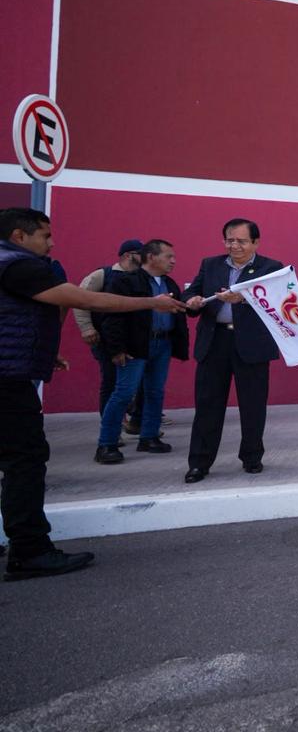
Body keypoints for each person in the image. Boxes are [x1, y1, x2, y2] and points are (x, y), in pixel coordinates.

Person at [1, 207, 186, 580]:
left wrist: (43, 349)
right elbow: (85, 300)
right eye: (45, 236)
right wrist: (152, 303)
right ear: (20, 237)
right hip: (8, 381)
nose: (52, 243)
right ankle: (30, 551)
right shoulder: (19, 265)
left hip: (12, 370)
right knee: (26, 459)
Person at [181, 218, 285, 483]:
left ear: (255, 242)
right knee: (207, 405)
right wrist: (191, 301)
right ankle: (199, 463)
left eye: (241, 240)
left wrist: (245, 298)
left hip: (252, 345)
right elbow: (192, 291)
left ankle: (252, 457)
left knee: (253, 405)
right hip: (214, 342)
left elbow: (280, 304)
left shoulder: (271, 268)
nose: (235, 245)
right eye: (230, 240)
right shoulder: (211, 264)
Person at [95, 239, 189, 463]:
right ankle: (106, 444)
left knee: (155, 392)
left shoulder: (170, 284)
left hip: (162, 344)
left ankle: (149, 437)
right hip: (135, 346)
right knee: (123, 393)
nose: (173, 261)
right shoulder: (125, 282)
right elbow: (111, 317)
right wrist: (116, 348)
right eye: (169, 257)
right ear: (151, 257)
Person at [73, 239, 144, 420]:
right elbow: (80, 300)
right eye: (141, 253)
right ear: (128, 255)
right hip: (107, 339)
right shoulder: (102, 275)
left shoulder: (142, 277)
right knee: (111, 382)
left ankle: (135, 420)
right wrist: (87, 328)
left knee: (139, 382)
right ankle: (112, 426)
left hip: (135, 339)